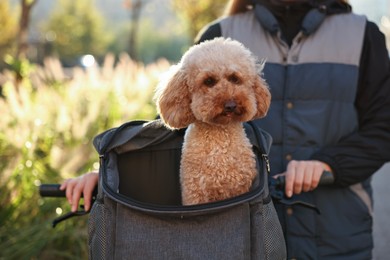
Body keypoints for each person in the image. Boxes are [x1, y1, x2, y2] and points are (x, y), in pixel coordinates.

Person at [62, 0, 390, 258]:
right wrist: (112, 174)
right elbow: (176, 125)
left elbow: (384, 127)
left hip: (336, 232)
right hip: (236, 240)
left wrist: (329, 164)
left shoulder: (363, 35)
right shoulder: (220, 31)